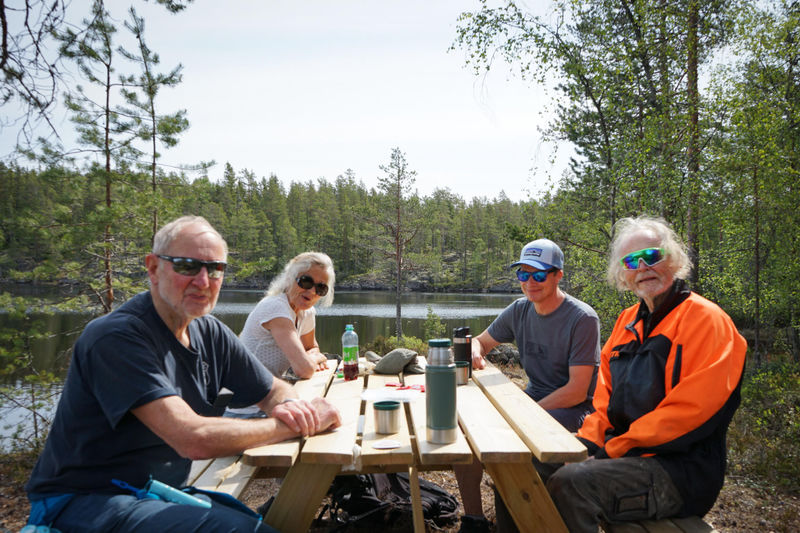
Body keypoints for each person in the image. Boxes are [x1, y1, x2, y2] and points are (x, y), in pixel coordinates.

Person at [24, 216, 342, 533]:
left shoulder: (209, 332)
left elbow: (273, 390)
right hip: (86, 500)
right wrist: (291, 424)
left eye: (215, 269)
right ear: (153, 267)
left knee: (257, 524)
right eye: (187, 266)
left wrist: (289, 406)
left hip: (155, 493)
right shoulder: (117, 338)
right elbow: (192, 439)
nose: (203, 281)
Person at [545, 216, 747, 532]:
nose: (643, 267)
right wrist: (584, 445)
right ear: (623, 274)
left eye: (652, 256)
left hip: (680, 473)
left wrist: (608, 453)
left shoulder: (708, 321)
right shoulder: (627, 323)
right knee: (528, 463)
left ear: (674, 260)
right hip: (624, 457)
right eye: (631, 261)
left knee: (572, 483)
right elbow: (603, 405)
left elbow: (688, 414)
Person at [454, 238, 601, 532]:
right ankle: (475, 520)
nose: (530, 282)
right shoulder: (520, 310)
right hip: (533, 400)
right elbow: (481, 342)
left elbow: (578, 390)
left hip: (575, 410)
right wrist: (473, 351)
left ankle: (524, 524)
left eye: (539, 275)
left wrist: (522, 411)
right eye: (523, 274)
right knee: (467, 431)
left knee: (512, 455)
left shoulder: (582, 318)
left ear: (558, 275)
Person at [227, 252, 335, 417]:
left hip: (271, 401)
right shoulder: (276, 308)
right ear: (290, 278)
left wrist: (311, 357)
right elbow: (304, 369)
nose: (312, 291)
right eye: (306, 281)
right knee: (327, 417)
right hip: (247, 411)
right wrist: (315, 359)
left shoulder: (306, 312)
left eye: (321, 287)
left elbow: (312, 347)